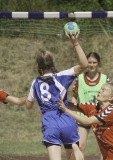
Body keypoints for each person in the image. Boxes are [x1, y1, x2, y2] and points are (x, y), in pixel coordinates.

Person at [25, 32, 88, 160]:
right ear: (53, 62)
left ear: (38, 65)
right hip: (66, 118)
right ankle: (76, 150)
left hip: (50, 123)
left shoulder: (35, 82)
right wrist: (75, 43)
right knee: (74, 150)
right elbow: (84, 64)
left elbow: (28, 105)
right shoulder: (62, 76)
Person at [59, 80, 113, 160]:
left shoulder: (111, 111)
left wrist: (66, 110)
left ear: (110, 97)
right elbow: (72, 106)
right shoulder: (93, 107)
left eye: (103, 90)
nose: (99, 91)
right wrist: (57, 99)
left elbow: (87, 122)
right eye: (100, 89)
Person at [71, 52, 111, 159]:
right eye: (89, 62)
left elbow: (110, 98)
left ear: (98, 63)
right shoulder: (79, 78)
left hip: (99, 117)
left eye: (94, 62)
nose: (92, 65)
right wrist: (73, 112)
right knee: (81, 146)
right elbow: (74, 96)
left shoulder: (105, 79)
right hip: (83, 116)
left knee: (104, 147)